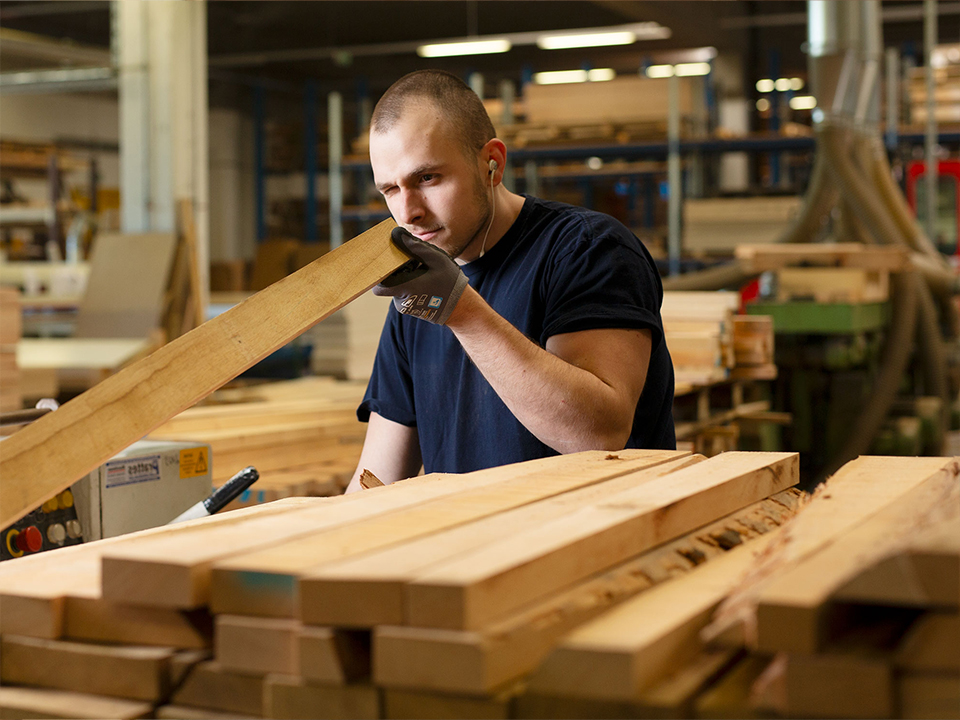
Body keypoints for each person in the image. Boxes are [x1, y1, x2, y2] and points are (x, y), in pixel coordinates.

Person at [345, 69, 674, 492]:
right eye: (390, 189)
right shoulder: (419, 294)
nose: (408, 212)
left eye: (427, 178)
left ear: (492, 164)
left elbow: (597, 436)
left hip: (598, 546)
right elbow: (378, 479)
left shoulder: (588, 248)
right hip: (481, 550)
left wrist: (460, 310)